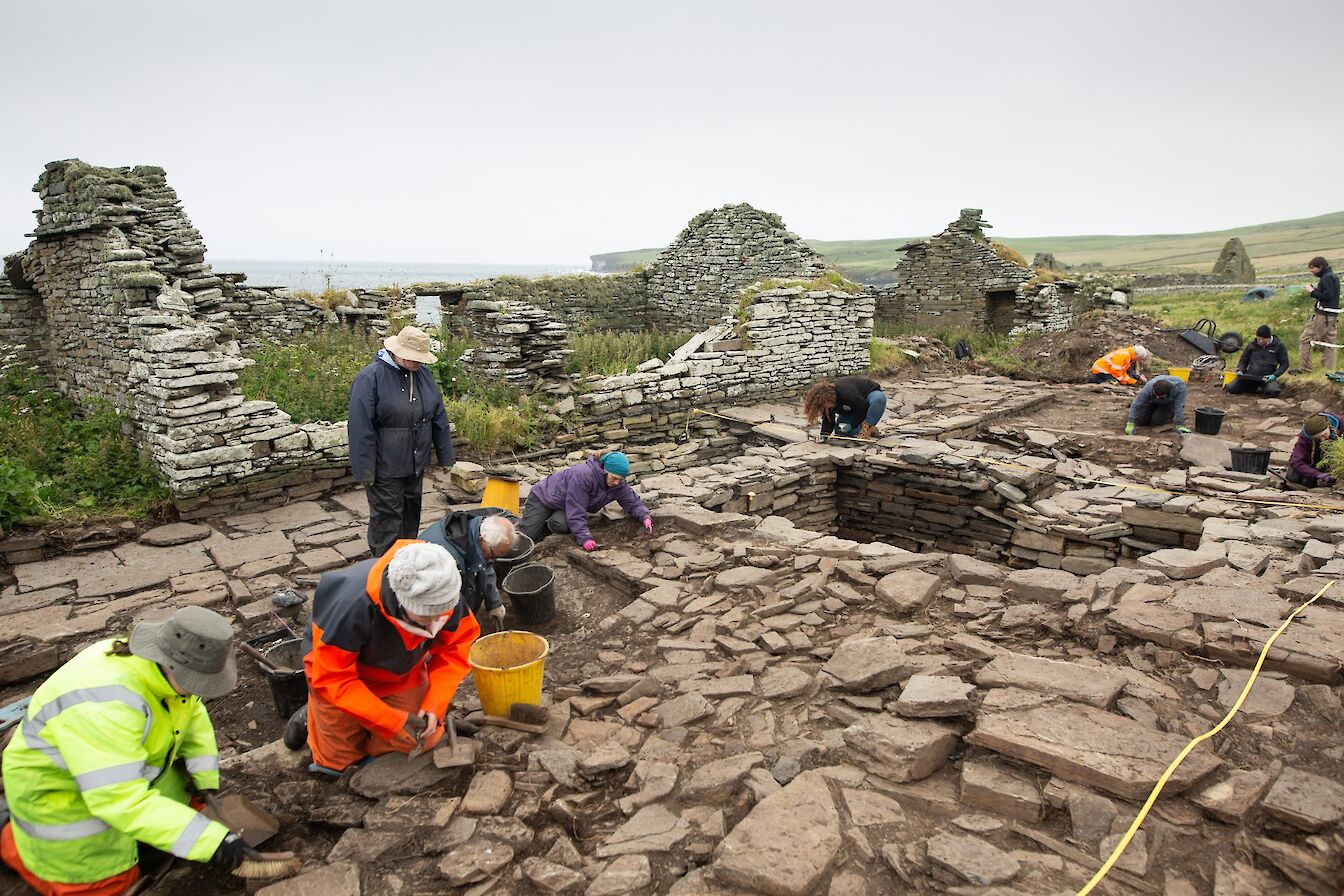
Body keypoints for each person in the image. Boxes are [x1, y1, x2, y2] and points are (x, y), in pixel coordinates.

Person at [1, 607, 259, 895]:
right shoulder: (106, 706)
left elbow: (191, 711)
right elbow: (119, 798)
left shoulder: (156, 670)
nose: (199, 690)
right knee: (108, 884)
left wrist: (204, 781)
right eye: (196, 682)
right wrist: (210, 842)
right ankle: (18, 843)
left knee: (187, 812)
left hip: (115, 771)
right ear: (172, 665)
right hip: (62, 796)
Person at [303, 540, 479, 776]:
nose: (436, 623)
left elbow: (456, 649)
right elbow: (334, 678)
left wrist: (435, 704)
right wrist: (389, 721)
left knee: (418, 740)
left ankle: (367, 730)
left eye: (441, 614)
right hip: (336, 675)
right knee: (338, 764)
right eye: (424, 617)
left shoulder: (443, 589)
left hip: (400, 673)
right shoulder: (352, 605)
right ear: (401, 602)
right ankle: (307, 716)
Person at [348, 325, 455, 559]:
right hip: (385, 465)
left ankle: (408, 560)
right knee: (388, 518)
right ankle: (384, 568)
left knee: (410, 513)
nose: (418, 363)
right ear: (397, 351)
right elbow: (359, 427)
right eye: (413, 358)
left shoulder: (423, 375)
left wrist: (446, 456)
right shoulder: (371, 377)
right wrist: (365, 470)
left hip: (415, 463)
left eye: (421, 359)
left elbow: (438, 416)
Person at [517, 451, 651, 552]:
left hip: (564, 503)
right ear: (604, 470)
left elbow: (631, 501)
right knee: (527, 536)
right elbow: (577, 510)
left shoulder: (618, 483)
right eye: (614, 478)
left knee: (560, 524)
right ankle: (512, 522)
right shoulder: (584, 476)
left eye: (620, 479)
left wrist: (644, 516)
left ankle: (545, 526)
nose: (616, 482)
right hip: (544, 496)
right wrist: (585, 538)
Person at [420, 512, 516, 632]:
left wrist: (494, 603)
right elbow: (447, 609)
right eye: (493, 555)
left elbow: (486, 566)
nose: (494, 559)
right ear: (482, 539)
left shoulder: (477, 530)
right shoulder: (447, 562)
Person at [803, 376, 888, 440]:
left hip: (868, 396)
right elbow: (828, 421)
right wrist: (824, 435)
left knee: (878, 400)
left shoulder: (847, 394)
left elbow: (863, 408)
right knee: (841, 433)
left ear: (829, 398)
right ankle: (870, 429)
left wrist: (852, 424)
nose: (825, 408)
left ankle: (867, 426)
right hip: (853, 409)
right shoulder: (826, 404)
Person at [1296, 256, 1340, 372]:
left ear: (1320, 267)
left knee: (1305, 340)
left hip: (1323, 315)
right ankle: (1329, 370)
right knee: (1328, 343)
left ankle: (1305, 369)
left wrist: (1312, 291)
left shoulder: (1326, 278)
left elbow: (1327, 296)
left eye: (1312, 268)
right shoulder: (1332, 277)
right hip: (1332, 315)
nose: (1311, 271)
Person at [1226, 325, 1290, 397]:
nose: (1260, 341)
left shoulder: (1279, 346)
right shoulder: (1252, 345)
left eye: (1263, 339)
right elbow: (1243, 361)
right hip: (1250, 375)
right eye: (1258, 338)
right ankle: (1252, 388)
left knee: (1273, 392)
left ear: (1269, 338)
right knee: (1231, 388)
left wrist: (1275, 375)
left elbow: (1285, 364)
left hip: (1266, 378)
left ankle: (1262, 388)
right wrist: (1240, 370)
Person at [1124, 374, 1190, 435]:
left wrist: (1179, 424)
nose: (1157, 397)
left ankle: (1168, 413)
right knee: (1140, 421)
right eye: (1156, 395)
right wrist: (1130, 423)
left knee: (1156, 423)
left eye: (1161, 397)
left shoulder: (1180, 388)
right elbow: (1136, 404)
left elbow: (1179, 406)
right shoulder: (1148, 388)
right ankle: (1153, 410)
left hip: (1167, 404)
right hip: (1151, 401)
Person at [1287, 413, 1340, 489]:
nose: (1322, 439)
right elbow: (1296, 461)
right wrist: (1317, 474)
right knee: (1293, 477)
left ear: (1329, 426)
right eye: (1318, 438)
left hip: (1335, 463)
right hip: (1315, 462)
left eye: (1324, 435)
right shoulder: (1305, 437)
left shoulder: (1341, 426)